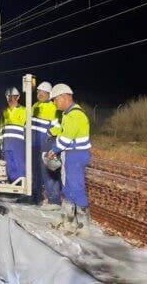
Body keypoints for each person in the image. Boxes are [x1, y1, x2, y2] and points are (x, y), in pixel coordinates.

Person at [46, 83, 91, 236]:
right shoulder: (67, 114)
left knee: (76, 189)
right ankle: (69, 222)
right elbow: (64, 131)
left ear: (64, 97)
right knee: (68, 188)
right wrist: (53, 132)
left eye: (55, 100)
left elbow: (66, 137)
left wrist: (54, 150)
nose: (54, 103)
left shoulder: (75, 114)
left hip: (76, 154)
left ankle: (83, 226)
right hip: (71, 154)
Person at [31, 81, 61, 207]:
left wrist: (50, 133)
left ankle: (54, 201)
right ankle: (36, 197)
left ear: (49, 94)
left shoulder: (54, 108)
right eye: (38, 91)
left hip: (47, 144)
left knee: (49, 172)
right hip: (34, 145)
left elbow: (60, 127)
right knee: (35, 172)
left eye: (42, 92)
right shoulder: (34, 106)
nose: (39, 94)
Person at [0, 87, 26, 182]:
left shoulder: (24, 110)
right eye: (9, 97)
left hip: (19, 145)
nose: (11, 99)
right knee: (9, 167)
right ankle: (13, 187)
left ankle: (22, 188)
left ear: (18, 97)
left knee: (20, 166)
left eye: (14, 97)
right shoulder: (4, 112)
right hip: (7, 144)